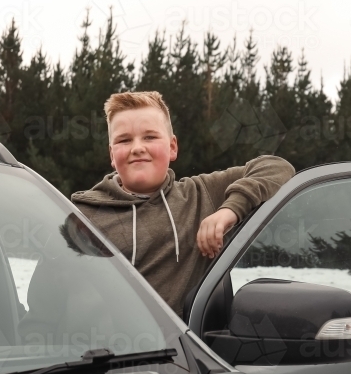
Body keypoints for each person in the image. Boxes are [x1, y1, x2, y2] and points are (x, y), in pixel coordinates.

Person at [72, 91, 295, 318]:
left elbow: (277, 167)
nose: (137, 147)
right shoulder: (83, 216)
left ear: (172, 147)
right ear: (112, 154)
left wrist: (229, 210)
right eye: (124, 140)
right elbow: (50, 301)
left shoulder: (201, 194)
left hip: (183, 352)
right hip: (110, 350)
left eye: (150, 137)